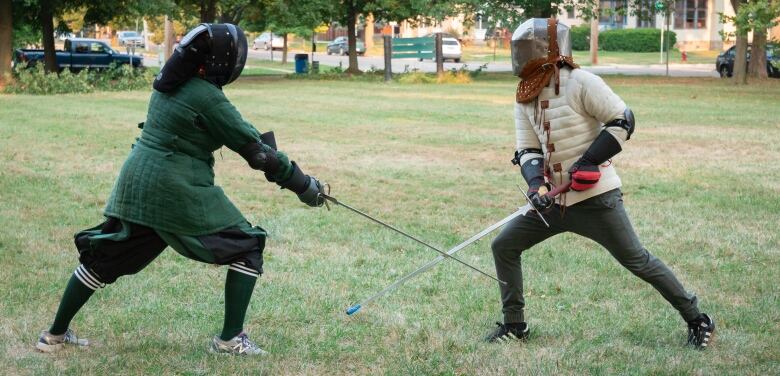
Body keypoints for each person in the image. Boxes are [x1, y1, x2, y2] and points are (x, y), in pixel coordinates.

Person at [36, 23, 324, 355]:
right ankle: (230, 340)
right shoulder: (204, 95)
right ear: (220, 60)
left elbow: (247, 136)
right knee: (247, 246)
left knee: (105, 257)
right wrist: (305, 186)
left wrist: (274, 157)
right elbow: (258, 154)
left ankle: (54, 336)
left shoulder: (170, 83)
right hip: (173, 188)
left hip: (138, 183)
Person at [485, 18, 714, 349]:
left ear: (548, 48)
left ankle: (698, 318)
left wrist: (588, 162)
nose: (520, 53)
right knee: (503, 245)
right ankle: (514, 324)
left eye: (527, 47)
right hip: (553, 204)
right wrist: (536, 186)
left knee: (637, 260)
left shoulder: (581, 82)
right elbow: (527, 149)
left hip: (596, 198)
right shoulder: (524, 94)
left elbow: (622, 120)